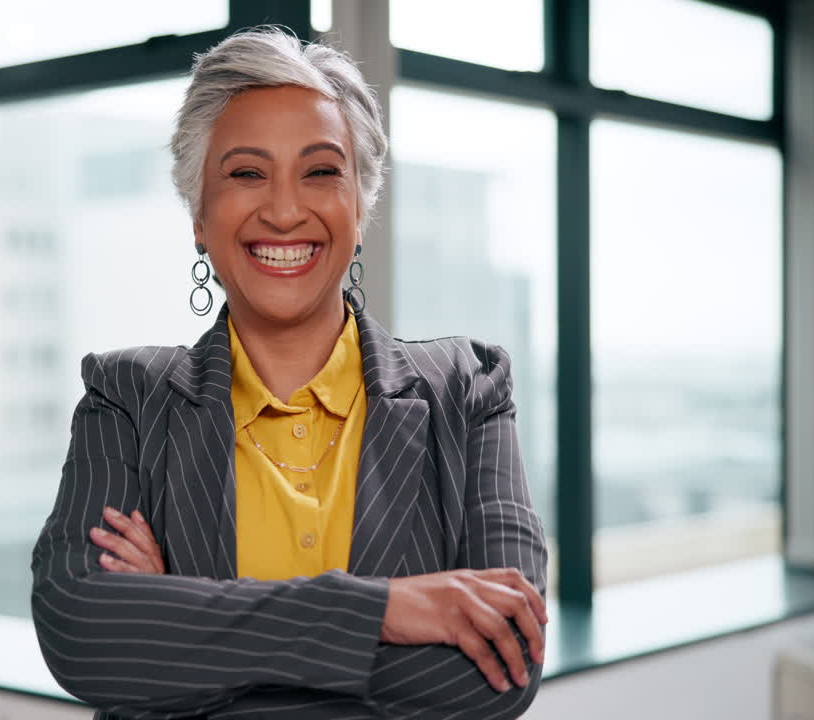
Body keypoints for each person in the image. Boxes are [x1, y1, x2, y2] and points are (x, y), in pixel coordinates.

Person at [31, 26, 549, 720]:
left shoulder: (468, 390)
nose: (281, 210)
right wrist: (387, 609)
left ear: (361, 206)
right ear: (198, 213)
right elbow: (84, 633)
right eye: (246, 173)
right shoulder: (126, 398)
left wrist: (182, 622)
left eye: (321, 171)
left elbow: (499, 669)